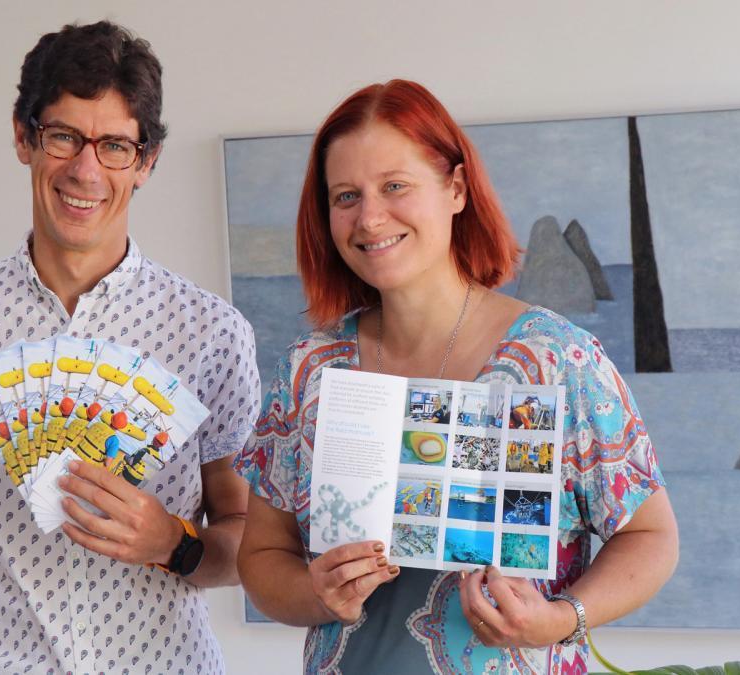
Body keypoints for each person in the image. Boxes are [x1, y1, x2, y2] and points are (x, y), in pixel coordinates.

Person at [236, 80, 678, 674]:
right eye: (346, 196)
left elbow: (651, 536)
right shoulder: (311, 369)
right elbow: (262, 556)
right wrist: (315, 593)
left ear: (457, 188)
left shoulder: (558, 361)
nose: (369, 217)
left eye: (395, 186)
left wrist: (561, 617)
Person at [0, 21, 259, 674]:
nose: (86, 169)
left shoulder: (214, 333)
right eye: (64, 136)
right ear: (24, 137)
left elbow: (252, 540)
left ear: (146, 162)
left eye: (114, 145)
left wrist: (176, 542)